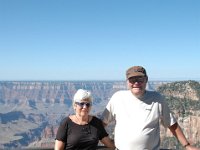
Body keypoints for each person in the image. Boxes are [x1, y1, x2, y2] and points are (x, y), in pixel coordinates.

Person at [101, 66, 200, 150]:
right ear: (127, 81)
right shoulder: (117, 98)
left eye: (140, 79)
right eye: (132, 79)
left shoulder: (157, 98)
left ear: (146, 79)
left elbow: (172, 124)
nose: (136, 83)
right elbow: (101, 125)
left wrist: (187, 145)